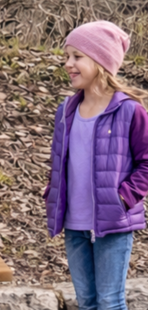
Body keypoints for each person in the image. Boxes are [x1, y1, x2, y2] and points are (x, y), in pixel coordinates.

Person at [44, 21, 148, 310]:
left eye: (77, 56)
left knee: (110, 302)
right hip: (74, 221)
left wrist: (125, 196)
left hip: (113, 222)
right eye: (67, 56)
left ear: (101, 61)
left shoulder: (129, 110)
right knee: (87, 302)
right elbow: (62, 160)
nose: (68, 64)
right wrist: (54, 190)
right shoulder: (66, 111)